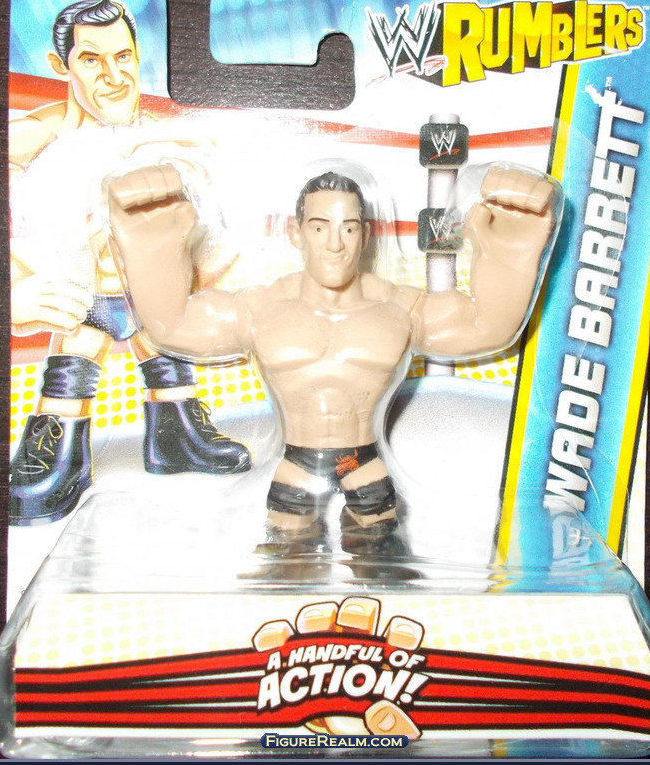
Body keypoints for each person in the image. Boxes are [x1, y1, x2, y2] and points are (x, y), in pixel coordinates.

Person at [107, 164, 559, 558]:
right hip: (296, 462)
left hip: (366, 462)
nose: (335, 244)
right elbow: (172, 325)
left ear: (366, 235)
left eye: (348, 228)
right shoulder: (261, 309)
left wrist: (511, 250)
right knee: (285, 564)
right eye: (320, 227)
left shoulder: (401, 310)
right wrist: (154, 244)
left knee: (382, 565)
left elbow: (487, 327)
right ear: (295, 232)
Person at [9, 0, 250, 527]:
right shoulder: (35, 139)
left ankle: (177, 430)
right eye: (91, 59)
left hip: (152, 297)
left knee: (163, 342)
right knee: (77, 351)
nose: (114, 76)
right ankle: (56, 449)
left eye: (123, 56)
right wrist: (10, 296)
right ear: (60, 66)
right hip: (79, 300)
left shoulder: (163, 136)